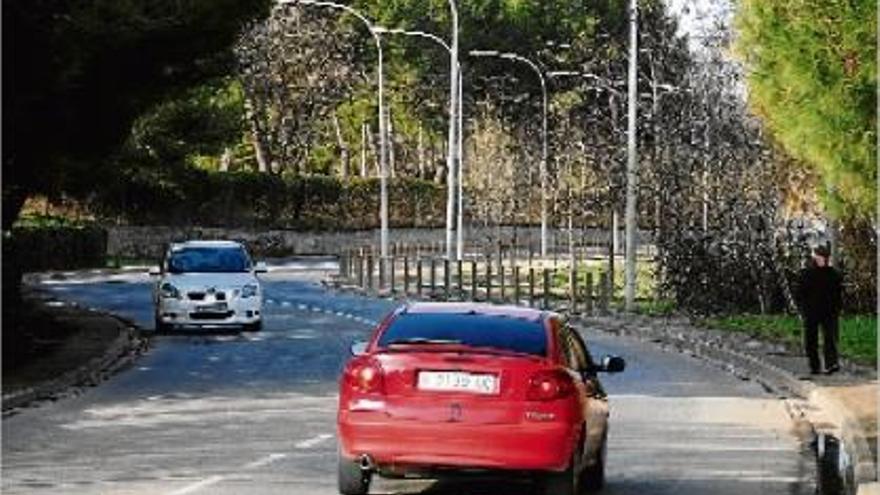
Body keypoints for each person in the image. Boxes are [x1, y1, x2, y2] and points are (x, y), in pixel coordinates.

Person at [796, 244, 843, 375]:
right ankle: (814, 365)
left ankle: (831, 364)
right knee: (811, 340)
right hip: (811, 311)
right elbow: (800, 293)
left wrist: (838, 308)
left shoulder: (834, 275)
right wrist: (801, 309)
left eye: (823, 257)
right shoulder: (806, 274)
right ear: (814, 258)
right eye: (818, 257)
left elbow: (838, 294)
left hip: (829, 311)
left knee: (830, 339)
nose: (820, 259)